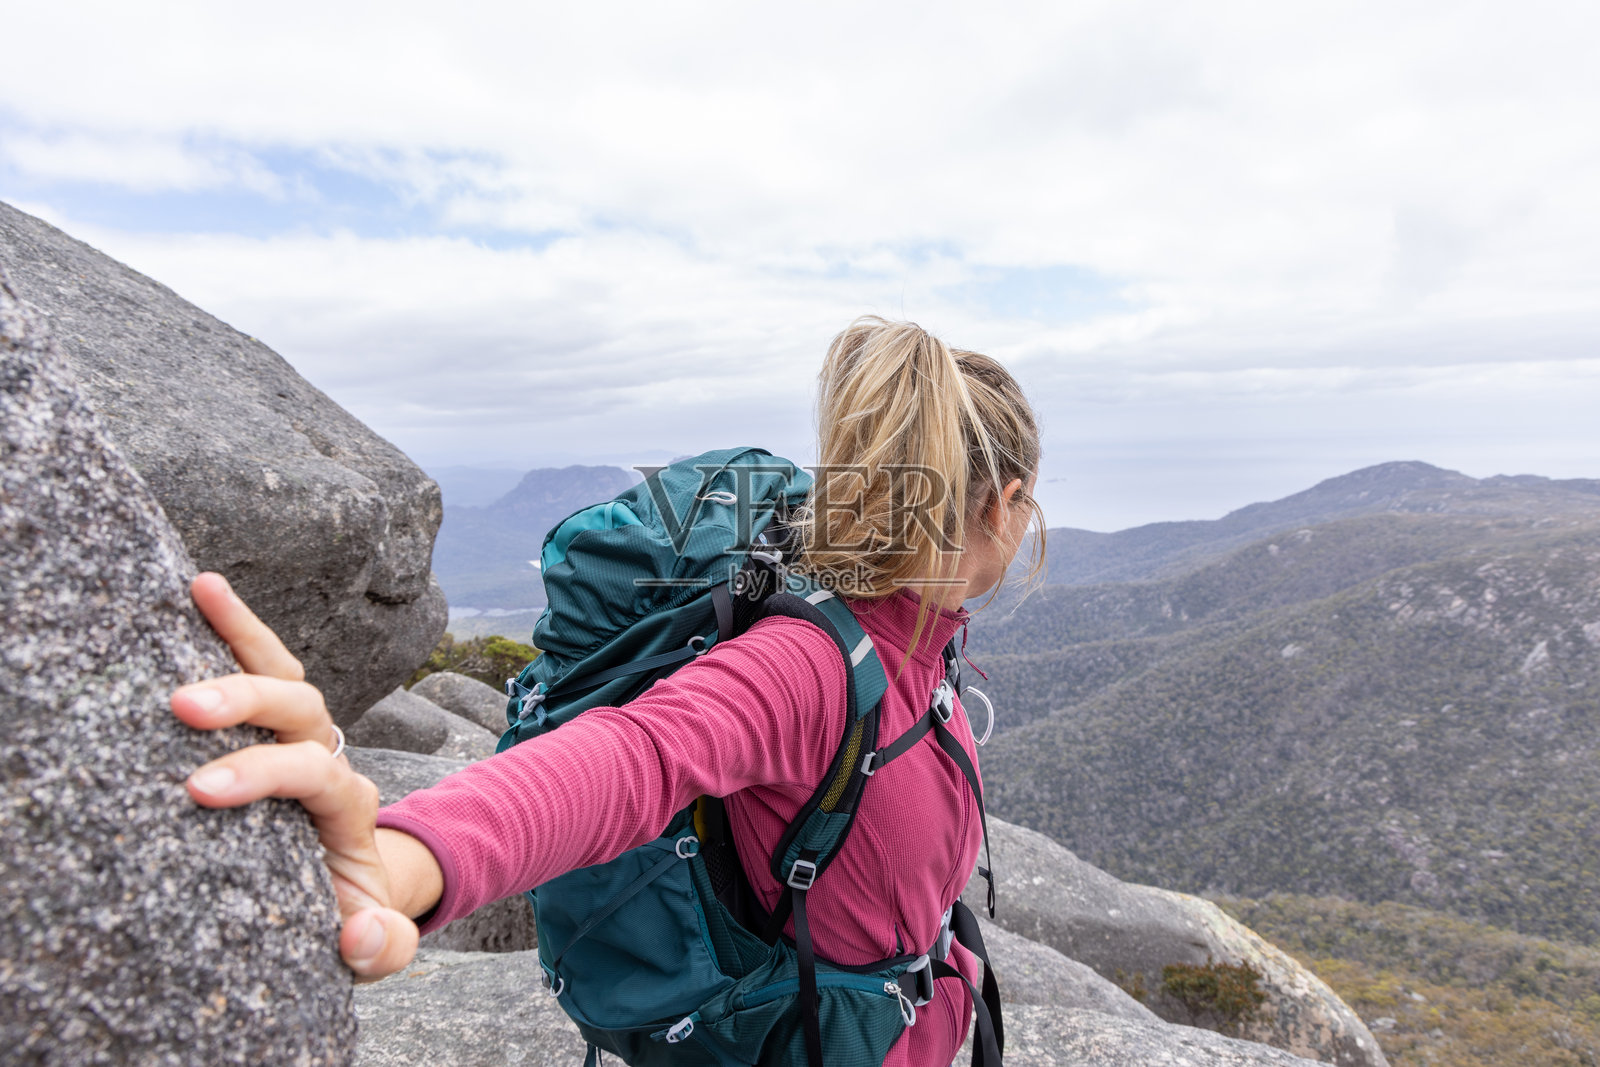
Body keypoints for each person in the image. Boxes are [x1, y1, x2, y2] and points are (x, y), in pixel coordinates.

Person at [172, 316, 1043, 1065]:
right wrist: (401, 858)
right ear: (1003, 505)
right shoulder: (810, 664)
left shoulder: (920, 631)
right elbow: (632, 756)